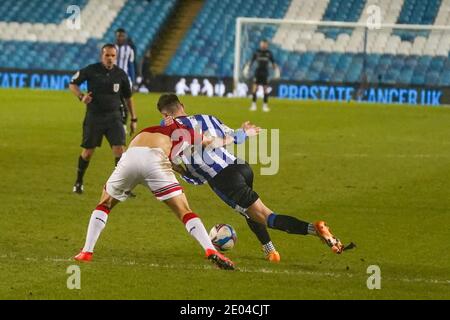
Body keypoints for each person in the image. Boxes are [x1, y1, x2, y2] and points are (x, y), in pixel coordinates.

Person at [157, 94, 345, 259]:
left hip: (223, 179)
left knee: (266, 215)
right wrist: (244, 131)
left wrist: (177, 169)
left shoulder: (173, 132)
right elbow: (233, 135)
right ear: (182, 105)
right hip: (241, 167)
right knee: (247, 210)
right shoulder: (208, 118)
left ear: (166, 116)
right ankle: (269, 249)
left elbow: (196, 176)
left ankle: (314, 229)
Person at [74, 119, 235, 270]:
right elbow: (210, 142)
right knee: (184, 211)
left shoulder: (149, 130)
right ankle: (210, 250)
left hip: (131, 156)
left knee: (104, 204)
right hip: (155, 159)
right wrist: (232, 138)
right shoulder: (184, 130)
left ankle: (86, 252)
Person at [69, 44, 137, 194]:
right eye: (107, 55)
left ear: (116, 57)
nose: (110, 58)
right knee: (87, 152)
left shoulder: (121, 74)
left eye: (113, 56)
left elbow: (128, 98)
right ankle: (78, 182)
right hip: (94, 117)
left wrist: (134, 119)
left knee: (120, 150)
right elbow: (73, 84)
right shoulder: (91, 70)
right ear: (102, 56)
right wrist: (81, 96)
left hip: (114, 117)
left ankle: (121, 186)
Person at [245, 40, 279, 112]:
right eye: (262, 44)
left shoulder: (269, 53)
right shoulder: (257, 52)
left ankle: (265, 106)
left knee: (265, 89)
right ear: (260, 44)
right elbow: (251, 61)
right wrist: (247, 68)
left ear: (267, 45)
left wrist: (276, 71)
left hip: (265, 73)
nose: (263, 45)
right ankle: (253, 105)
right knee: (255, 88)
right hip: (257, 72)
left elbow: (273, 63)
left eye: (265, 44)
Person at [115, 28, 136, 131]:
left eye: (122, 36)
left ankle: (123, 125)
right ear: (116, 36)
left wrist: (133, 81)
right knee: (113, 102)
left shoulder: (129, 50)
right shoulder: (111, 48)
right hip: (112, 79)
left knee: (125, 102)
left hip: (125, 79)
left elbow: (131, 66)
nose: (120, 38)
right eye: (118, 35)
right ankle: (114, 123)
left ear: (125, 37)